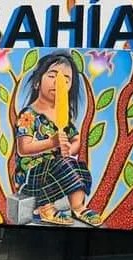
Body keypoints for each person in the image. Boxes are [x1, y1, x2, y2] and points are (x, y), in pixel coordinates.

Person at [14, 52, 101, 226]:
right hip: (32, 173)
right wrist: (52, 142)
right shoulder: (29, 115)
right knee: (62, 164)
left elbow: (76, 139)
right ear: (37, 82)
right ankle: (45, 208)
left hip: (57, 168)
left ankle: (78, 207)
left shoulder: (63, 116)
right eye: (52, 76)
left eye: (65, 79)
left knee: (78, 167)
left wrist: (69, 149)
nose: (58, 82)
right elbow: (23, 148)